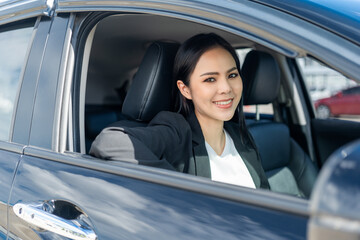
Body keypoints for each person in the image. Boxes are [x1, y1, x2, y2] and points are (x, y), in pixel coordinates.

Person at [90, 33, 269, 189]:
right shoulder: (177, 131)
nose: (226, 88)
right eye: (210, 79)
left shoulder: (241, 136)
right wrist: (178, 188)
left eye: (232, 75)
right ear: (185, 90)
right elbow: (110, 141)